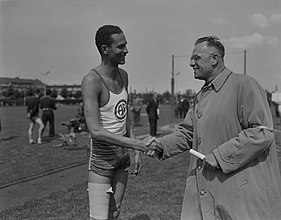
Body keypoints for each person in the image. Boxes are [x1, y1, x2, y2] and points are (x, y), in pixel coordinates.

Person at [146, 36, 281, 219]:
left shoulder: (244, 85)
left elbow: (261, 132)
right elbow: (187, 133)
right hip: (207, 192)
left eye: (196, 58)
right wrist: (161, 144)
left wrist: (219, 156)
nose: (191, 63)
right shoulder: (200, 96)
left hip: (240, 195)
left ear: (215, 59)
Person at [81, 25, 148, 220]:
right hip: (101, 156)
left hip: (122, 154)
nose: (126, 50)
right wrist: (136, 144)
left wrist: (135, 152)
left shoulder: (123, 75)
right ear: (105, 49)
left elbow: (125, 114)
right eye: (121, 46)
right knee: (99, 216)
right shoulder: (91, 80)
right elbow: (95, 130)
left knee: (115, 211)